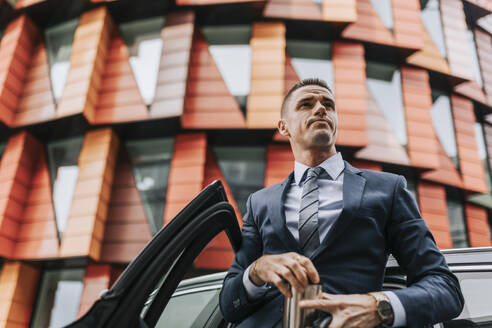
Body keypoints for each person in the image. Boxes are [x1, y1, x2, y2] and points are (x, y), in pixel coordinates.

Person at [219, 78, 464, 328]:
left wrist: (379, 306)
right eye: (306, 104)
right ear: (284, 127)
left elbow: (444, 287)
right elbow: (230, 305)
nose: (320, 108)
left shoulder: (388, 189)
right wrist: (256, 271)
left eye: (328, 104)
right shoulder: (259, 202)